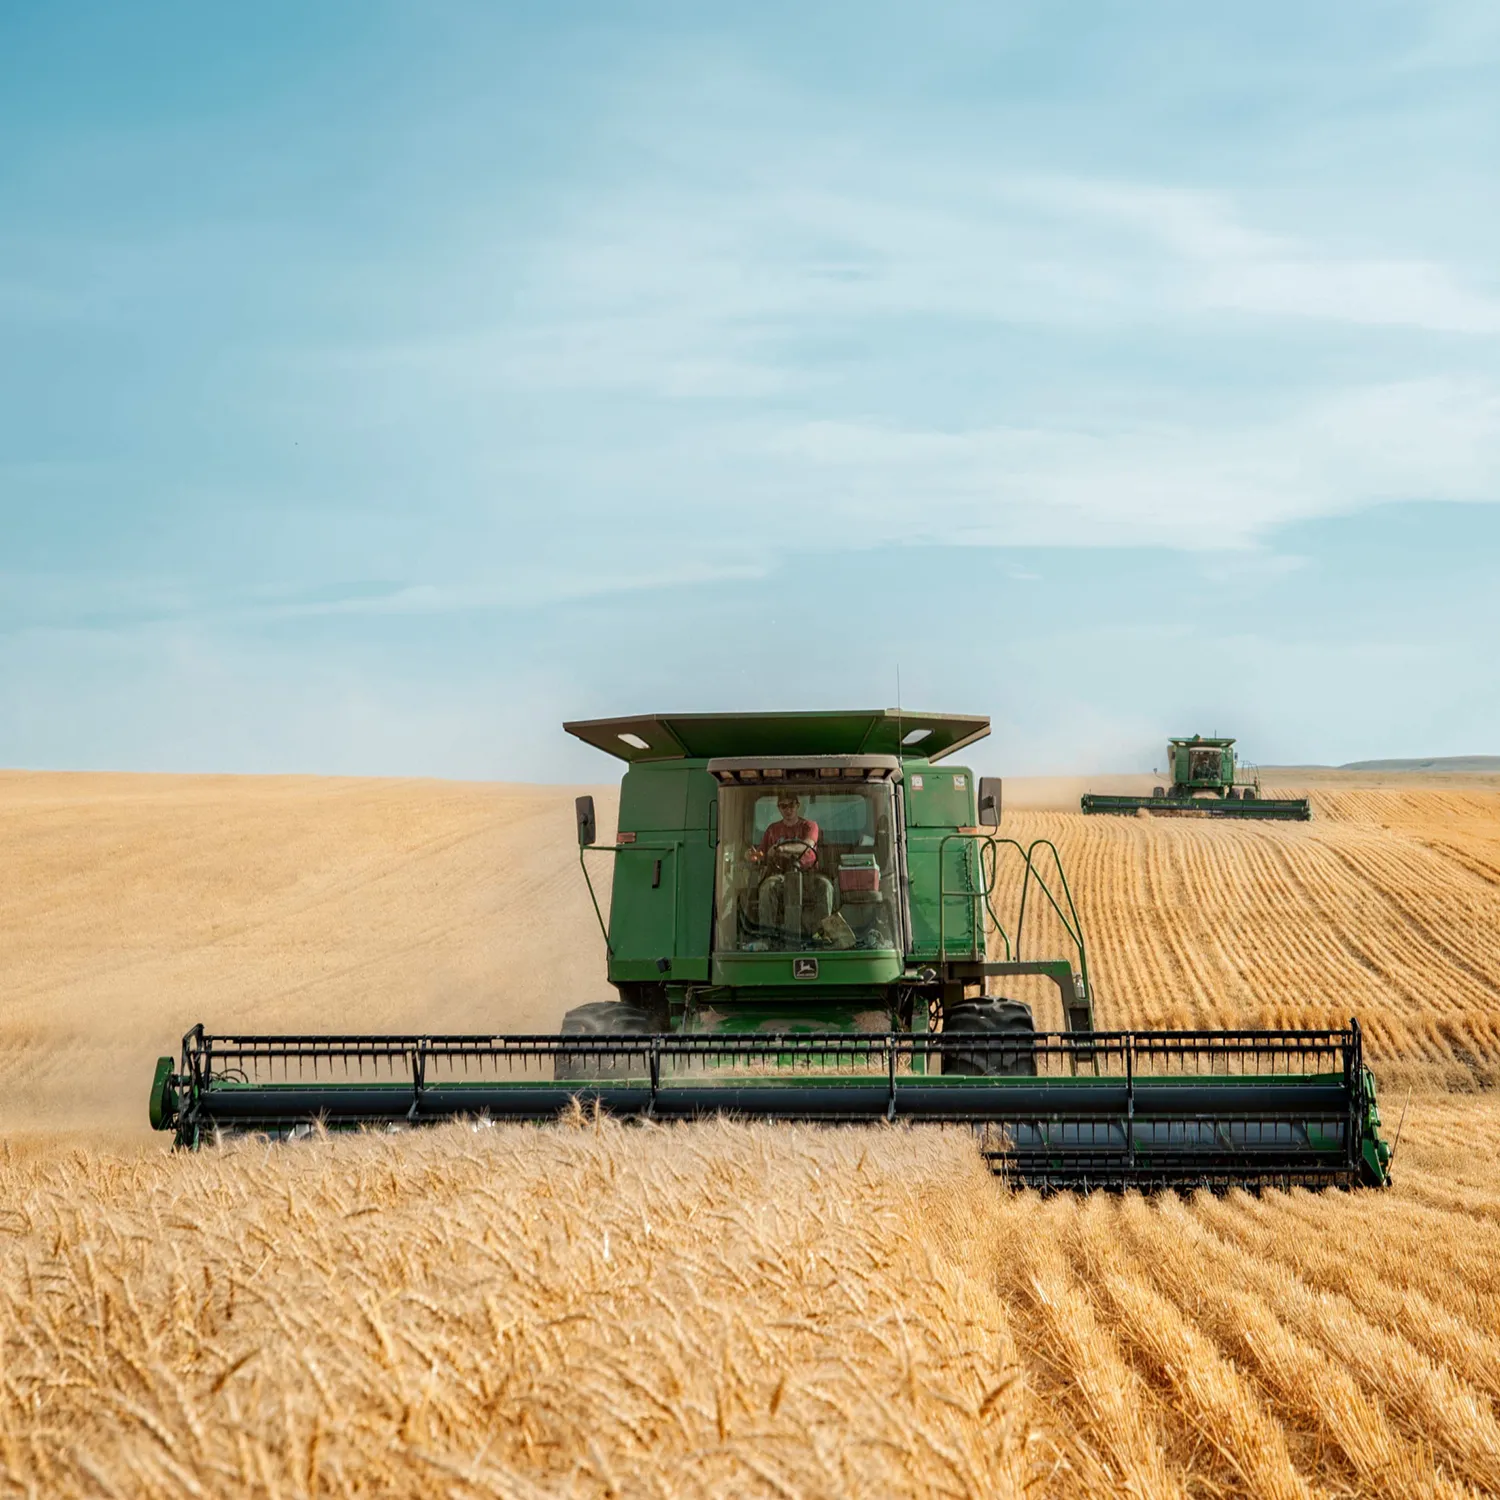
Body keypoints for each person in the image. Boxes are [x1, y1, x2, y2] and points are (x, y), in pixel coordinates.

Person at [750, 792, 820, 869]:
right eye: (783, 806)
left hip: (808, 874)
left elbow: (807, 846)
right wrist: (753, 855)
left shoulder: (810, 825)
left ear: (797, 805)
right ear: (779, 808)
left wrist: (782, 849)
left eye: (791, 805)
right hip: (778, 872)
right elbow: (762, 854)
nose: (788, 810)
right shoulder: (772, 829)